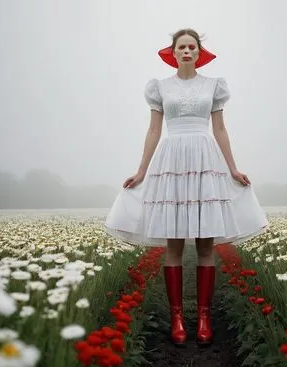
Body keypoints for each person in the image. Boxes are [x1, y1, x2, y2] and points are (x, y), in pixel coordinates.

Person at [105, 28, 269, 347]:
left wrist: (233, 168)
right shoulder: (160, 87)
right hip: (172, 161)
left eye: (191, 47)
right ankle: (177, 318)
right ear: (173, 51)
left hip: (205, 159)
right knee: (174, 245)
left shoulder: (213, 86)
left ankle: (204, 317)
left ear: (198, 51)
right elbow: (154, 131)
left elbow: (220, 129)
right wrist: (141, 171)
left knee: (206, 244)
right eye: (181, 47)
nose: (186, 51)